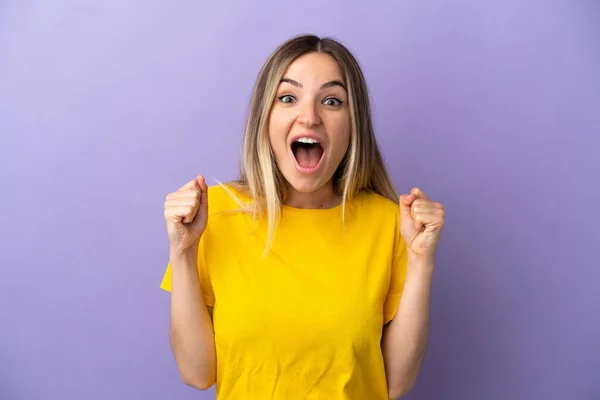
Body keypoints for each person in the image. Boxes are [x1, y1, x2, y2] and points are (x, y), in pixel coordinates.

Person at [160, 34, 445, 400]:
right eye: (288, 98)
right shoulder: (213, 215)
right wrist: (182, 252)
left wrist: (421, 261)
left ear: (353, 126)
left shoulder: (390, 225)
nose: (309, 117)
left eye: (331, 101)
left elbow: (395, 383)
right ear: (265, 118)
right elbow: (196, 372)